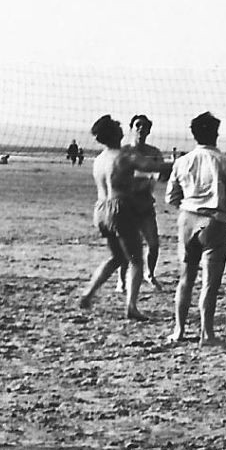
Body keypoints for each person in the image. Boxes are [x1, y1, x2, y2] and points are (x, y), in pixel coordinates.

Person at [165, 112, 226, 346]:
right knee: (210, 283)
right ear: (216, 133)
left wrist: (190, 205)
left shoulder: (182, 161)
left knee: (185, 279)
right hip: (214, 220)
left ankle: (179, 330)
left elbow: (171, 197)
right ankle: (207, 334)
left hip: (187, 219)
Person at [78, 116, 151, 319]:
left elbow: (116, 181)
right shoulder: (123, 156)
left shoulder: (99, 159)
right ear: (116, 133)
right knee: (136, 260)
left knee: (117, 257)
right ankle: (131, 307)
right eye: (119, 127)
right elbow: (154, 169)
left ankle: (88, 293)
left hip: (100, 210)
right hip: (120, 209)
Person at [124, 114, 171, 289]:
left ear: (149, 130)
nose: (141, 129)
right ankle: (122, 281)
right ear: (131, 128)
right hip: (126, 205)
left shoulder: (154, 153)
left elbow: (162, 177)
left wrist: (166, 171)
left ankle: (149, 274)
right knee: (127, 245)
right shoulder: (124, 152)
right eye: (138, 125)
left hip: (145, 204)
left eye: (145, 126)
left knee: (153, 243)